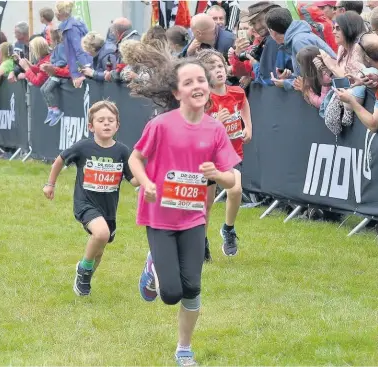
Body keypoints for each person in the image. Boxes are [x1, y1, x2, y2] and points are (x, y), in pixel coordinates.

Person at [128, 57, 240, 367]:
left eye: (201, 80)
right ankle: (152, 267)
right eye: (188, 82)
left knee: (192, 287)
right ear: (177, 93)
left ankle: (184, 348)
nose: (197, 86)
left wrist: (216, 174)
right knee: (170, 294)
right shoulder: (161, 125)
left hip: (193, 217)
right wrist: (147, 181)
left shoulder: (215, 129)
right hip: (159, 217)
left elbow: (232, 179)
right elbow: (135, 160)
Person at [43, 100, 139, 296]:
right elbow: (60, 160)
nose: (106, 124)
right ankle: (83, 269)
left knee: (100, 250)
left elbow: (134, 180)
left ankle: (84, 281)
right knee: (101, 234)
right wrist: (50, 184)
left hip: (109, 209)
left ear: (117, 125)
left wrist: (150, 177)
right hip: (85, 203)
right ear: (90, 126)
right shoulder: (84, 147)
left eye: (111, 120)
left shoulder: (122, 151)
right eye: (101, 120)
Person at [197, 49, 251, 259]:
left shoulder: (236, 92)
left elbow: (244, 104)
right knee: (206, 205)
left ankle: (228, 229)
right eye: (212, 68)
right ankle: (201, 243)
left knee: (235, 189)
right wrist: (216, 123)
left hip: (231, 153)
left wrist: (248, 126)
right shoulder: (203, 99)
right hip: (207, 158)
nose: (218, 70)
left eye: (220, 65)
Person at [265, 8, 336, 90]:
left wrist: (286, 83)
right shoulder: (297, 38)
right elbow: (309, 73)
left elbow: (315, 78)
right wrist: (290, 76)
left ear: (272, 31)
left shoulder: (299, 41)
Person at [56, 0, 93, 88]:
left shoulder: (71, 29)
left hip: (80, 72)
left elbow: (80, 51)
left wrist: (82, 74)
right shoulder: (75, 24)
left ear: (61, 13)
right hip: (81, 69)